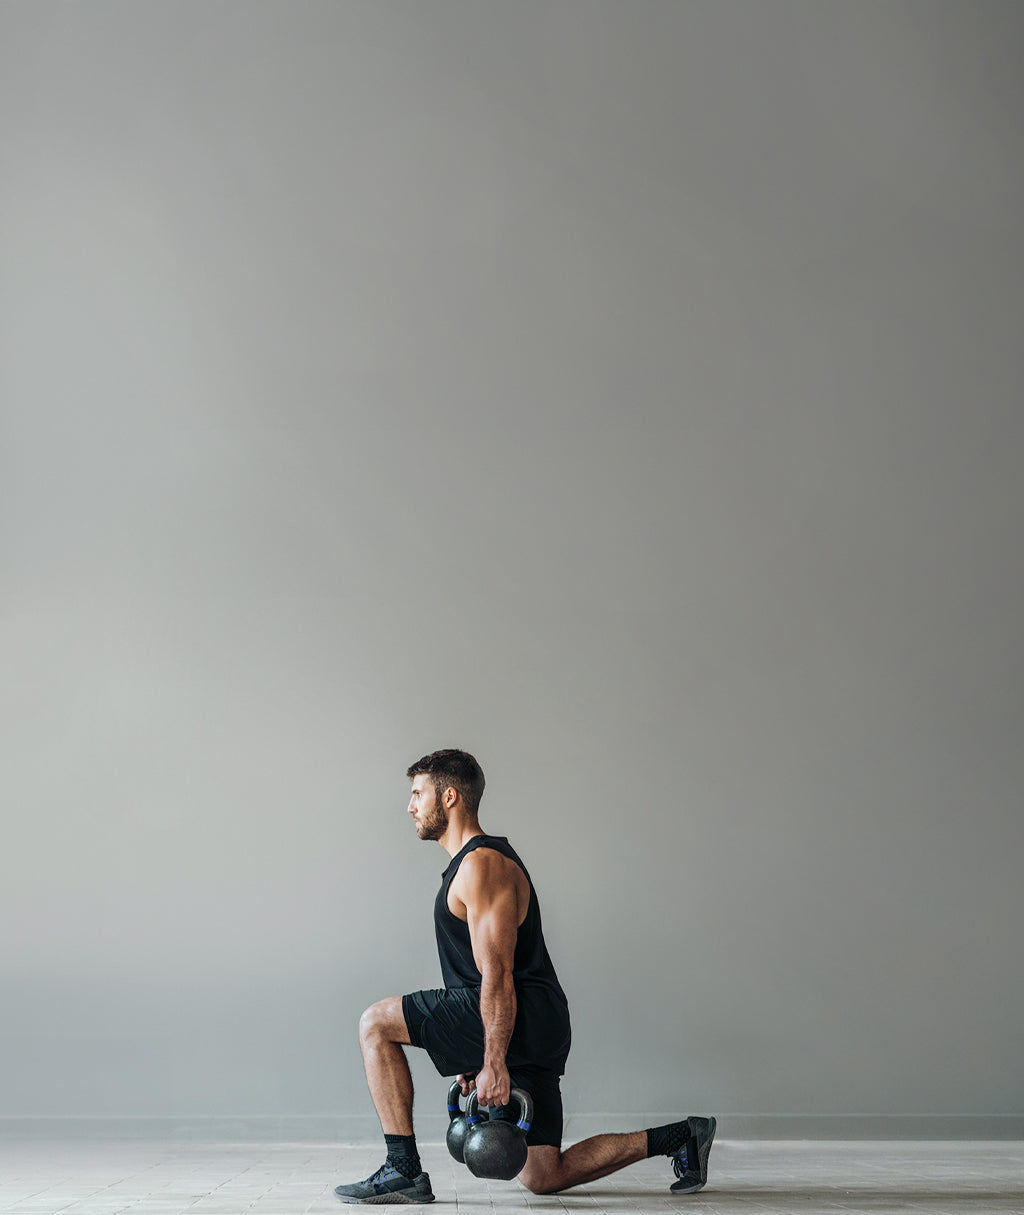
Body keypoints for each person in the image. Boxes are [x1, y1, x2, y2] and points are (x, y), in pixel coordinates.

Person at [334, 749, 716, 1204]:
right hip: (535, 1020)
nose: (410, 806)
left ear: (449, 796)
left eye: (418, 794)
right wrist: (474, 1051)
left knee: (375, 1024)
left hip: (518, 1012)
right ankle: (682, 1136)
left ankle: (403, 1169)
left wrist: (493, 1058)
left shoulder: (481, 865)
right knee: (543, 1173)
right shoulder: (474, 864)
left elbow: (497, 974)